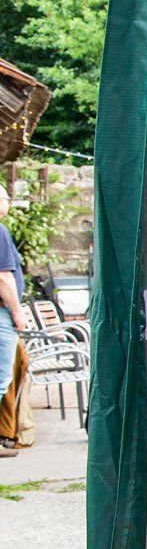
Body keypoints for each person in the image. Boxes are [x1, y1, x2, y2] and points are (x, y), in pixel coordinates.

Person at [0, 186, 24, 458]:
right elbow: (3, 277)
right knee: (1, 377)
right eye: (7, 198)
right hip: (3, 314)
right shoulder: (0, 231)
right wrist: (17, 313)